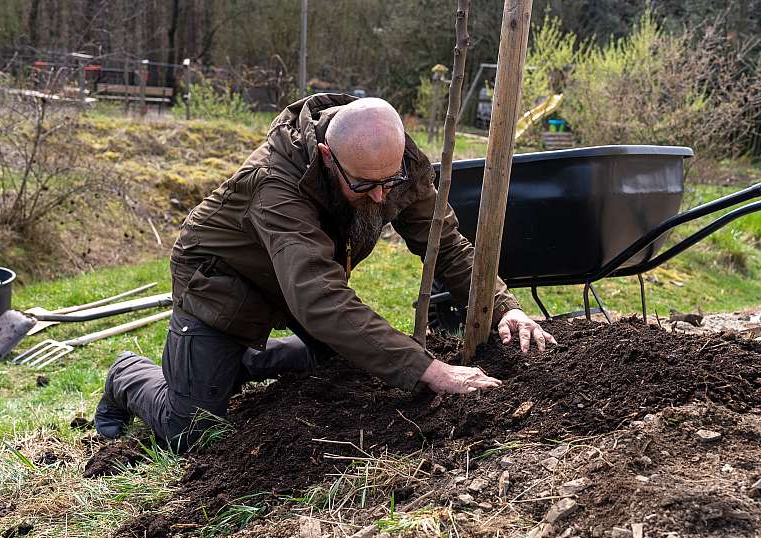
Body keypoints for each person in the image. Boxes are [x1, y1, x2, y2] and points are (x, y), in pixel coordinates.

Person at [94, 94, 556, 450]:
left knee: (348, 363)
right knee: (190, 430)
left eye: (388, 183)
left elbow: (446, 245)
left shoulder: (389, 158)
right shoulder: (276, 187)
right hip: (223, 283)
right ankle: (128, 374)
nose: (380, 198)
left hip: (300, 280)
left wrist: (502, 307)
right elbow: (318, 298)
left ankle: (233, 362)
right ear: (326, 155)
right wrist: (429, 368)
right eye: (364, 185)